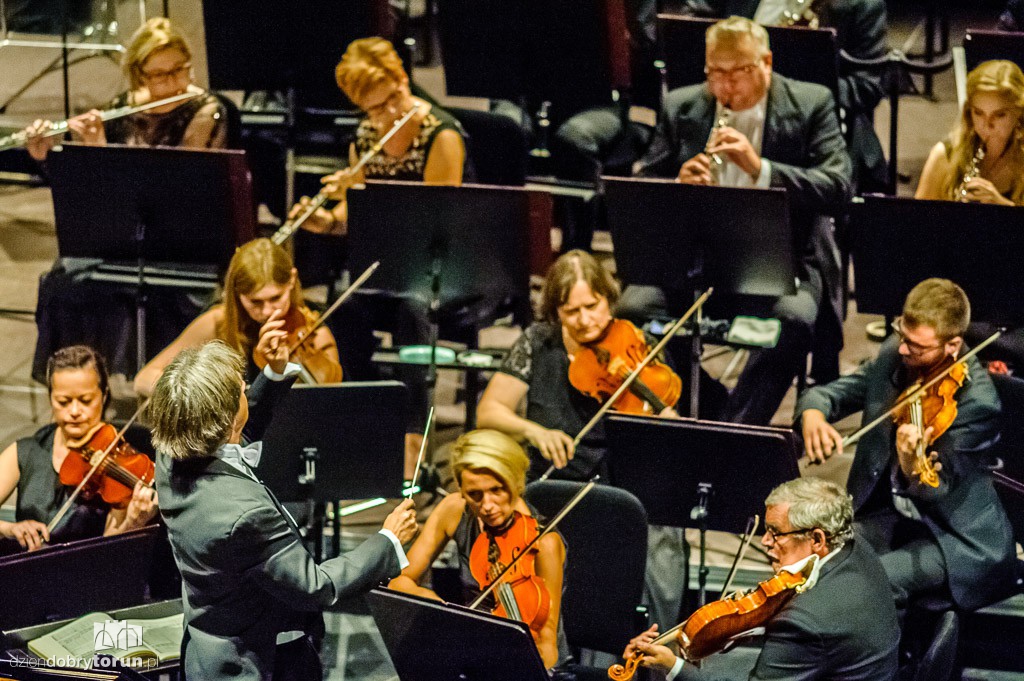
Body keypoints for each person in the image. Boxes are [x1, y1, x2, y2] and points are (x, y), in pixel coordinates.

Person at [620, 16, 853, 425]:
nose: (725, 87)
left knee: (794, 320)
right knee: (632, 310)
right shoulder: (683, 105)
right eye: (715, 73)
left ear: (766, 62)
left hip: (781, 260)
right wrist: (678, 182)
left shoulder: (811, 102)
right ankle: (712, 406)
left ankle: (738, 428)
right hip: (698, 260)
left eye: (737, 73)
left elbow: (837, 187)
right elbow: (643, 186)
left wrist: (760, 168)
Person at [150, 336, 418, 681]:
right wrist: (388, 540)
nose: (246, 388)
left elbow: (231, 433)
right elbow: (316, 587)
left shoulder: (171, 455)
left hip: (207, 651)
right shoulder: (245, 515)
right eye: (241, 389)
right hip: (257, 661)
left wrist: (274, 374)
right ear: (230, 417)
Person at [797, 278, 1018, 612]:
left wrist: (912, 465)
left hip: (952, 538)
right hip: (890, 516)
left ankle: (888, 664)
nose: (903, 349)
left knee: (875, 582)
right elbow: (831, 393)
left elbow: (937, 490)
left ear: (953, 345)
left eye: (917, 347)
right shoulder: (895, 357)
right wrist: (813, 412)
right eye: (903, 335)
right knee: (817, 558)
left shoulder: (978, 404)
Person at [623, 477, 899, 681]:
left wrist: (674, 666)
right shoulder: (856, 547)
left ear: (817, 539)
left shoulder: (804, 623)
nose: (765, 542)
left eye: (775, 533)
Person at [476, 249, 680, 482]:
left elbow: (665, 439)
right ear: (556, 311)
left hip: (619, 481)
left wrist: (666, 426)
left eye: (592, 306)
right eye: (571, 311)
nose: (584, 321)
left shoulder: (641, 346)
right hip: (552, 478)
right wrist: (534, 432)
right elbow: (489, 411)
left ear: (609, 299)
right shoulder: (538, 342)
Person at [388, 429, 567, 669]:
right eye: (475, 495)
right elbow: (401, 580)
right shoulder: (454, 509)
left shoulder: (544, 544)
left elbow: (547, 646)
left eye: (497, 490)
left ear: (516, 483)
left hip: (530, 664)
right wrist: (439, 607)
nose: (487, 506)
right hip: (472, 647)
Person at [674, 0, 889, 192]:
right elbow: (691, 28)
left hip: (810, 127)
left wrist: (798, 93)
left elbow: (866, 86)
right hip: (727, 103)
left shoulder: (862, 5)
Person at [292, 36, 468, 236]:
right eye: (378, 108)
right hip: (384, 247)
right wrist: (330, 222)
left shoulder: (441, 135)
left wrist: (363, 196)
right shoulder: (366, 135)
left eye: (394, 96)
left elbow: (436, 217)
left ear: (402, 76)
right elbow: (359, 217)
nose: (392, 111)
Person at [134, 238, 341, 397]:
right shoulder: (218, 322)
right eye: (255, 302)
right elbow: (144, 379)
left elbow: (330, 397)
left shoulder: (314, 330)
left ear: (292, 281)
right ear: (236, 294)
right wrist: (207, 397)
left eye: (276, 298)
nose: (267, 311)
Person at [0, 345, 157, 551]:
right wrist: (9, 528)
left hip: (89, 575)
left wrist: (133, 524)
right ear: (50, 397)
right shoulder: (26, 451)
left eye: (85, 400)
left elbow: (108, 551)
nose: (74, 411)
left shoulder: (119, 457)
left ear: (103, 395)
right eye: (63, 402)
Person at [25, 17, 228, 161]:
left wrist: (101, 152)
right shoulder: (123, 106)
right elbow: (96, 187)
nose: (171, 80)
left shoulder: (207, 111)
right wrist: (47, 154)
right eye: (159, 74)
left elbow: (182, 182)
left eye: (178, 69)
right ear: (139, 75)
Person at [915, 60, 1024, 206]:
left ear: (1019, 112)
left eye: (999, 115)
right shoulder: (944, 156)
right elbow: (916, 222)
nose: (987, 125)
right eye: (978, 113)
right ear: (968, 112)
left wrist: (1002, 205)